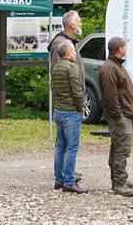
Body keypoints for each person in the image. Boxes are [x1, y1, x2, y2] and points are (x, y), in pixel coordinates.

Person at [98, 37, 133, 196]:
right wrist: (119, 116)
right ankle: (119, 183)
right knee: (122, 149)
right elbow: (110, 96)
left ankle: (119, 180)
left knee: (119, 147)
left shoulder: (115, 65)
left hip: (123, 114)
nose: (125, 48)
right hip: (119, 116)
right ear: (120, 49)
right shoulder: (109, 68)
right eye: (124, 46)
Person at [51, 41, 87, 194]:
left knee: (60, 146)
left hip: (59, 110)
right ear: (67, 53)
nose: (75, 53)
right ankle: (69, 182)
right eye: (73, 51)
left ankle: (59, 180)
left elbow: (53, 88)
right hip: (71, 112)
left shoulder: (56, 67)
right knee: (72, 147)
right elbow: (77, 91)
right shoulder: (72, 67)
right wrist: (80, 109)